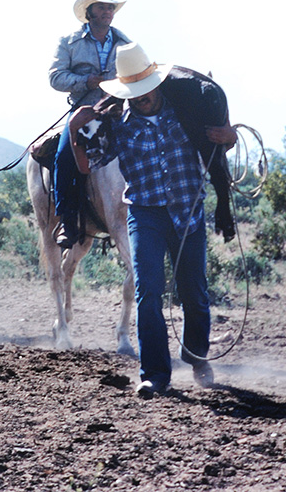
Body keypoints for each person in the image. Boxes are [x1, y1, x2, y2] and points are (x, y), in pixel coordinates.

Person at [68, 42, 238, 397]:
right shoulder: (117, 125)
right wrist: (74, 131)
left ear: (157, 86)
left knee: (194, 292)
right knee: (147, 291)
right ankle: (155, 374)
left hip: (187, 209)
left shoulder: (188, 113)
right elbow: (87, 165)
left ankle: (196, 356)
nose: (139, 99)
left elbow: (221, 141)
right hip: (144, 213)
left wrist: (231, 135)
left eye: (144, 91)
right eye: (133, 93)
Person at [48, 0, 131, 248]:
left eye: (110, 7)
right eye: (102, 7)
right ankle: (67, 221)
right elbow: (55, 77)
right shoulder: (69, 43)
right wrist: (86, 82)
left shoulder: (126, 44)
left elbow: (141, 73)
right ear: (90, 11)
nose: (107, 11)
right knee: (63, 157)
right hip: (84, 114)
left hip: (119, 113)